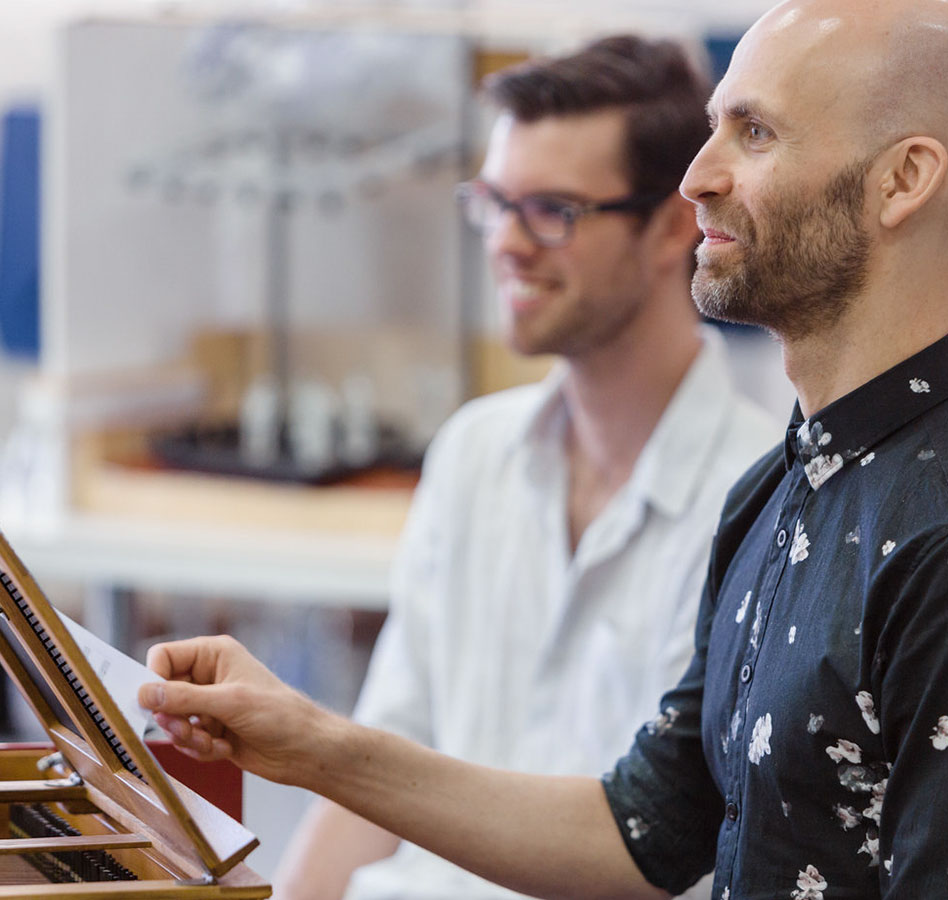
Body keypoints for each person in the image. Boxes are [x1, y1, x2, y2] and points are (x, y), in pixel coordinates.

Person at [139, 2, 948, 898]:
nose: (698, 180)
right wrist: (304, 742)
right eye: (715, 129)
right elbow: (640, 826)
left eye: (756, 132)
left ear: (903, 179)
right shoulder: (775, 495)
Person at [273, 35, 779, 900]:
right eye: (494, 203)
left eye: (552, 209)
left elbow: (662, 853)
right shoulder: (474, 455)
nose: (507, 242)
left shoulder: (760, 499)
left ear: (670, 227)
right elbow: (371, 780)